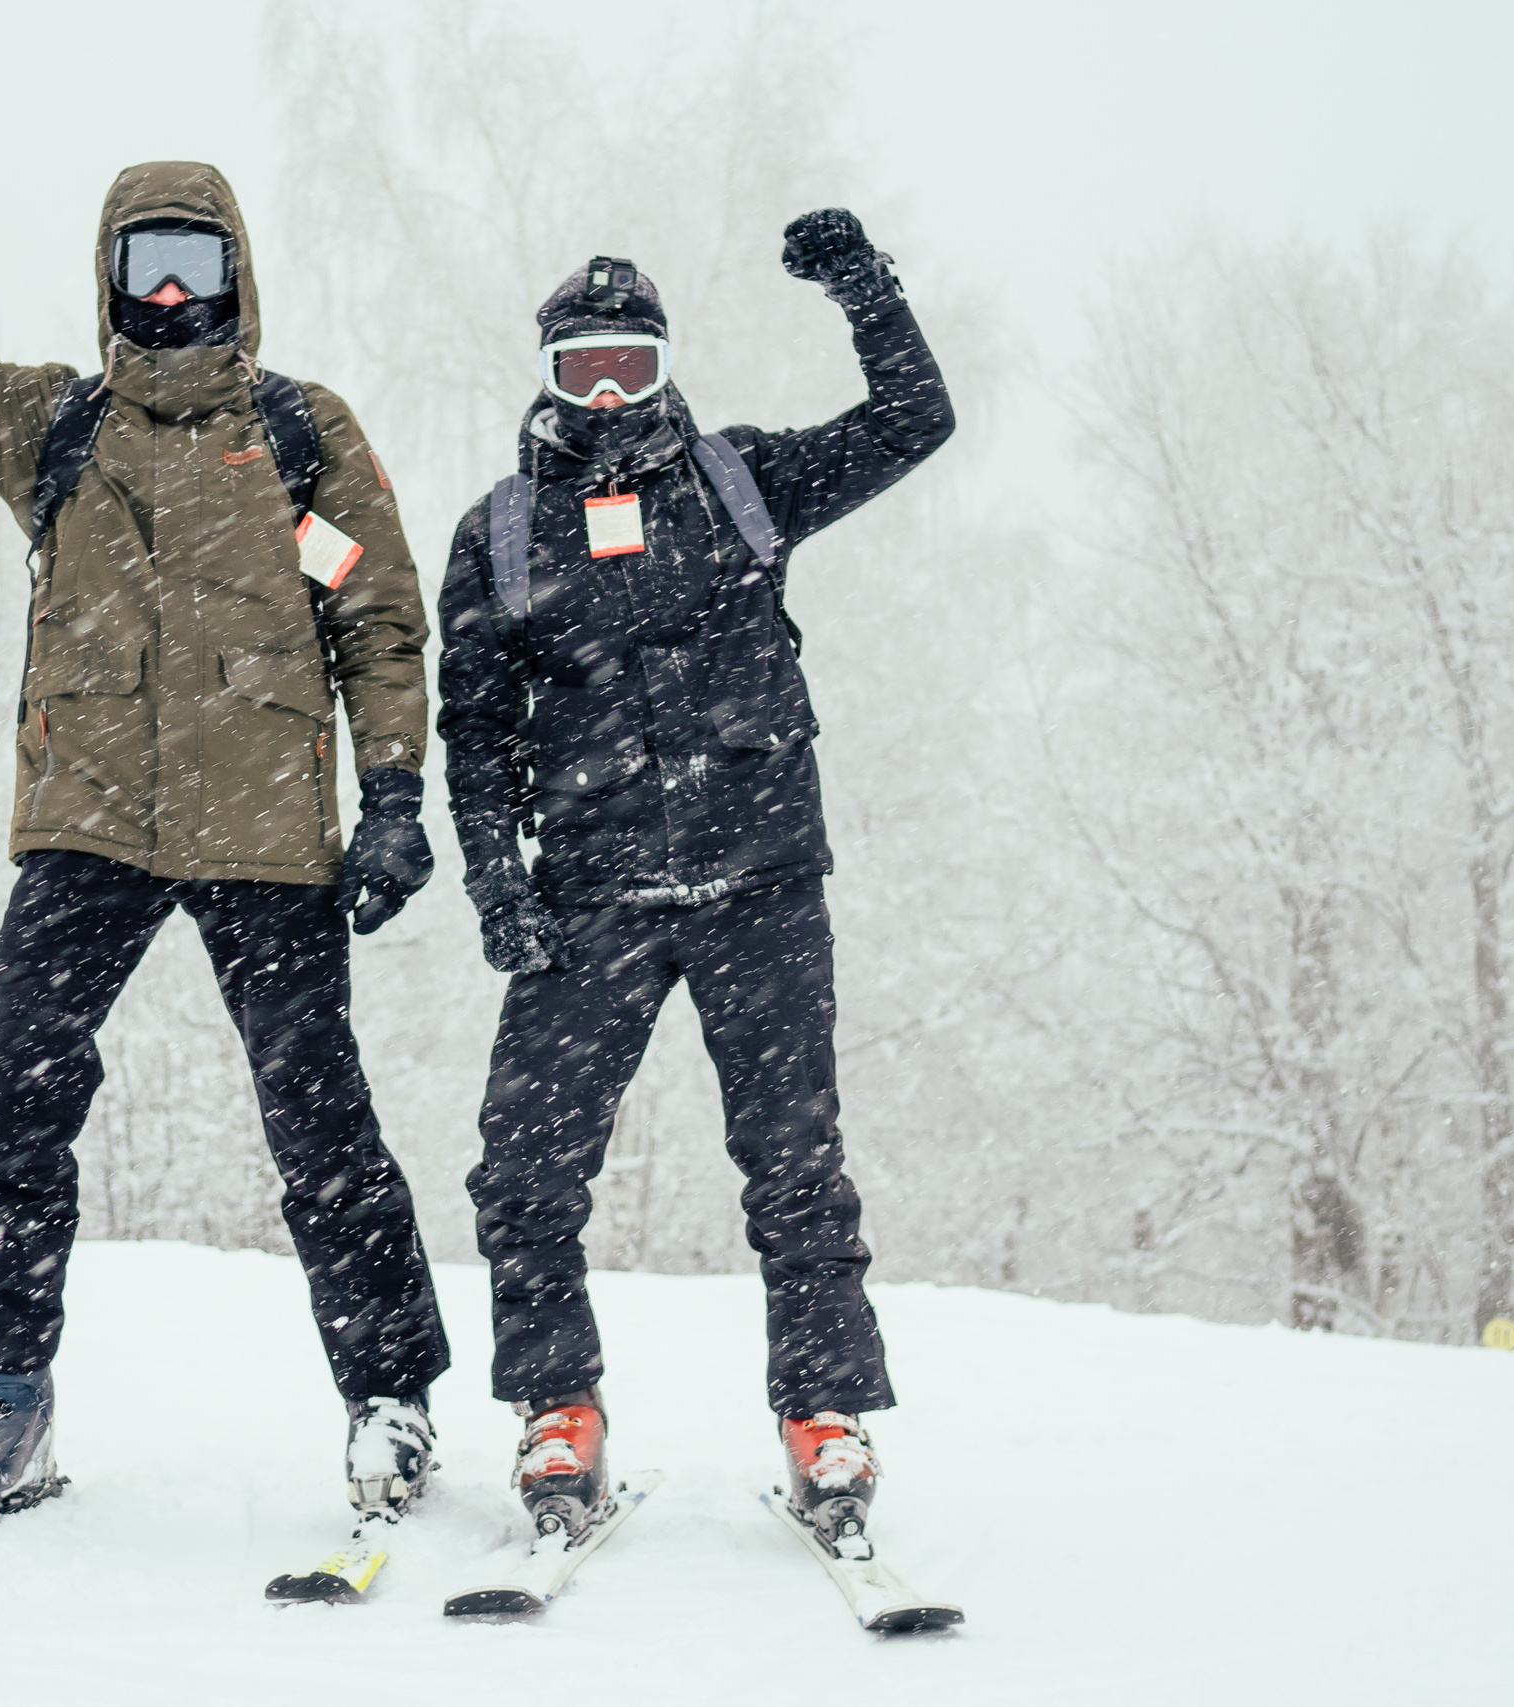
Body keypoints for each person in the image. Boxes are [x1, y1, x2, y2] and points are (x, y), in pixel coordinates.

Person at [0, 54, 449, 1534]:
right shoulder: (53, 428)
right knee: (8, 1110)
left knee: (319, 1123)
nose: (170, 297)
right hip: (89, 816)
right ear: (108, 279)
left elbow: (376, 617)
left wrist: (399, 790)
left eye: (195, 266)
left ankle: (389, 1396)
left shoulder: (298, 439)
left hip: (267, 829)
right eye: (144, 269)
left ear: (236, 276)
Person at [434, 215, 954, 1550]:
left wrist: (866, 290)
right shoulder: (497, 537)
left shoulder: (745, 483)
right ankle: (559, 1407)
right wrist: (497, 877)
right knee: (524, 1170)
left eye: (629, 364)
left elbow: (914, 419)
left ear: (665, 367)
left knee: (794, 1167)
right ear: (547, 377)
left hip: (761, 882)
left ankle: (824, 1420)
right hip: (591, 898)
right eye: (582, 370)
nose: (607, 395)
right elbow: (475, 732)